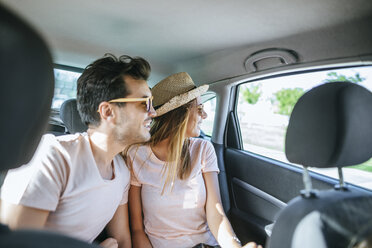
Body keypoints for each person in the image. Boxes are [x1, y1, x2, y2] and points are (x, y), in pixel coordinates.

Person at [0, 54, 156, 248]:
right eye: (144, 103)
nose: (153, 112)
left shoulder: (122, 173)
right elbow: (14, 245)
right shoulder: (53, 156)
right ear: (108, 112)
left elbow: (123, 241)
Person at [125, 72, 262, 248]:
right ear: (179, 116)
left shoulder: (203, 149)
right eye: (199, 109)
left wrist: (234, 246)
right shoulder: (136, 156)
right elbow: (136, 229)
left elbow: (216, 214)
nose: (204, 115)